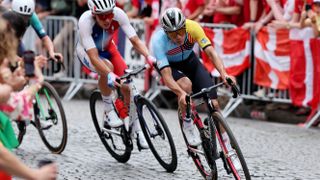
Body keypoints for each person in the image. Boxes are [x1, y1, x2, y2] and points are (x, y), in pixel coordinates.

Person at [150, 7, 241, 169]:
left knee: (214, 104)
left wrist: (224, 74)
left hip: (190, 62)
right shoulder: (158, 41)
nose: (178, 37)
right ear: (166, 33)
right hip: (171, 68)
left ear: (184, 26)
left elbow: (211, 52)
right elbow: (166, 74)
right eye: (172, 34)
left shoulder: (193, 27)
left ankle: (229, 149)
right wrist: (180, 93)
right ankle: (187, 123)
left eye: (180, 31)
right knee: (185, 87)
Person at [76, 0, 157, 149]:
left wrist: (148, 56)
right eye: (102, 16)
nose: (107, 19)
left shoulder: (119, 14)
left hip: (109, 49)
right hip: (88, 52)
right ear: (94, 15)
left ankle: (137, 129)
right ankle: (108, 109)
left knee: (128, 86)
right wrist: (110, 74)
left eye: (109, 15)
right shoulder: (85, 21)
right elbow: (94, 56)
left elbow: (135, 40)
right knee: (107, 68)